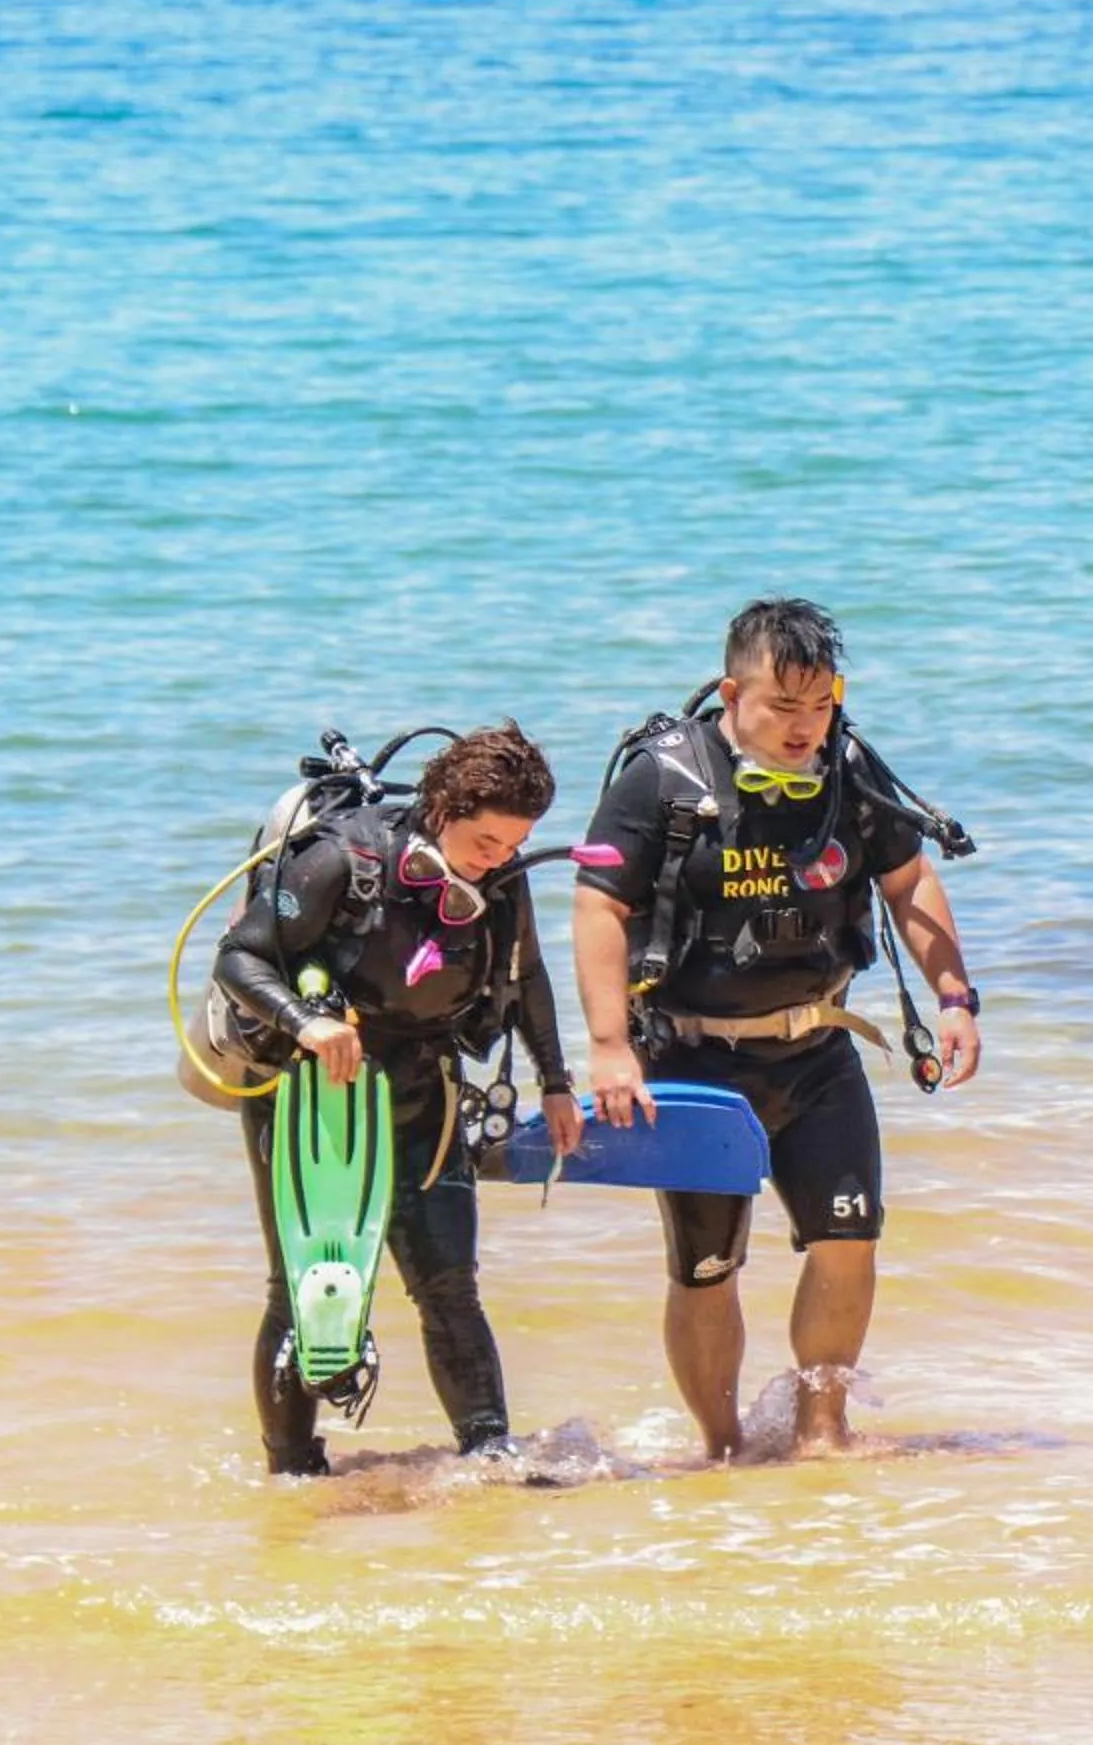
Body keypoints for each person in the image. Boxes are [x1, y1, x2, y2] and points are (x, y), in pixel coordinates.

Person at [572, 599, 981, 1460]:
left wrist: (955, 996)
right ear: (732, 692)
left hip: (817, 1054)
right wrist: (610, 1047)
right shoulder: (662, 779)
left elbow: (909, 884)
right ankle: (722, 1449)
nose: (806, 730)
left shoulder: (850, 770)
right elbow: (598, 904)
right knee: (707, 1270)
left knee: (848, 1241)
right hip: (693, 1061)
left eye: (821, 707)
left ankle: (821, 1436)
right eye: (784, 708)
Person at [195, 722, 581, 1476]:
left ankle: (489, 1454)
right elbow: (239, 958)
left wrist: (557, 1082)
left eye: (514, 845)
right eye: (486, 843)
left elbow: (526, 976)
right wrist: (305, 1022)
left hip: (423, 1088)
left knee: (449, 1285)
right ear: (442, 809)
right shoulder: (341, 859)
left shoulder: (499, 877)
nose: (499, 861)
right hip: (312, 1094)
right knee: (303, 1290)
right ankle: (293, 1471)